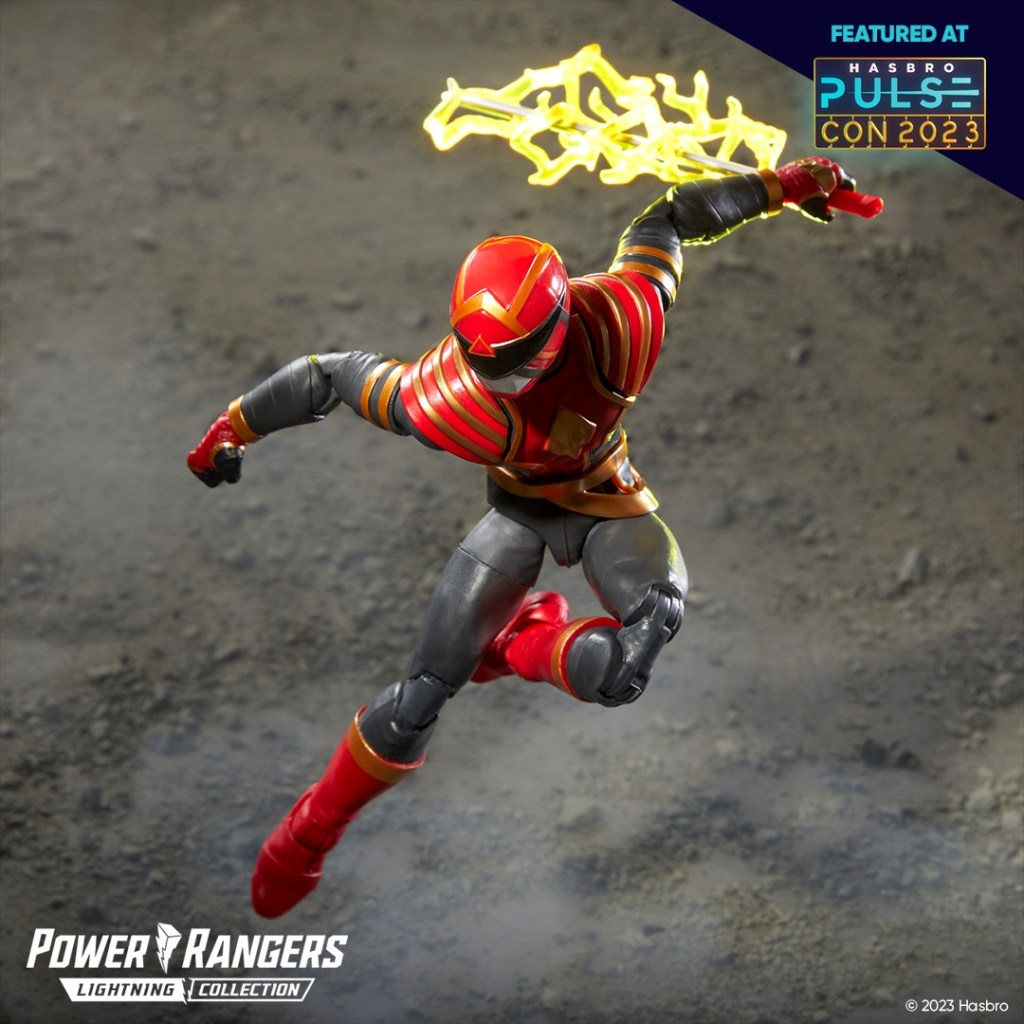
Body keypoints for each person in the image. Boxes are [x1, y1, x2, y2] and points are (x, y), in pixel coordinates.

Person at [188, 156, 871, 917]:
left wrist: (784, 186)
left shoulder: (619, 320)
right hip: (516, 514)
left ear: (558, 324)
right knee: (418, 699)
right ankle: (312, 830)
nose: (497, 376)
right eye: (484, 360)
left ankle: (520, 641)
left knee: (638, 645)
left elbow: (670, 218)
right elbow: (328, 377)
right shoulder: (446, 399)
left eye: (514, 359)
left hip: (605, 498)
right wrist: (233, 427)